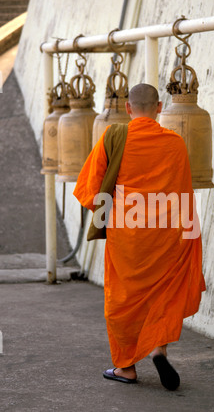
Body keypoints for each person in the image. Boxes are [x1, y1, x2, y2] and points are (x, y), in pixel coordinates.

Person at [73, 83, 205, 390]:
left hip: (126, 237)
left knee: (122, 299)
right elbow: (184, 196)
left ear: (128, 109)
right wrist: (190, 238)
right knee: (161, 295)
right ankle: (158, 348)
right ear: (159, 108)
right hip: (165, 237)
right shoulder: (175, 143)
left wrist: (115, 208)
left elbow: (90, 191)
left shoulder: (113, 137)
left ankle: (126, 368)